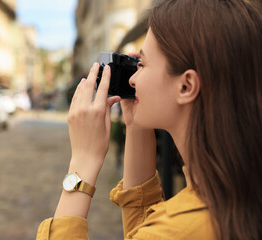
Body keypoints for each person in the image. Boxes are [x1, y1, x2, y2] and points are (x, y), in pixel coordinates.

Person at [36, 0, 262, 239]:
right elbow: (143, 227)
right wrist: (135, 126)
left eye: (142, 64)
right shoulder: (234, 191)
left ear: (186, 86)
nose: (133, 79)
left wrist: (82, 163)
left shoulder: (175, 231)